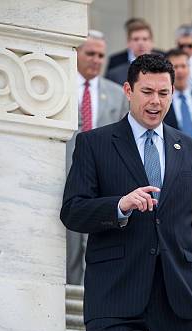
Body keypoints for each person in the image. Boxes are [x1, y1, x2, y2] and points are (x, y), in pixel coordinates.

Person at [60, 54, 192, 331]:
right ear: (128, 90)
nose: (155, 101)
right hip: (115, 290)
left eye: (163, 93)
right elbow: (73, 210)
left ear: (172, 94)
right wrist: (119, 205)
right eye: (147, 91)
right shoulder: (94, 143)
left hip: (179, 291)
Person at [66, 30, 129, 285]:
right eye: (90, 53)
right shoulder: (61, 86)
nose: (96, 59)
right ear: (77, 54)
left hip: (102, 177)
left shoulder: (116, 93)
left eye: (101, 55)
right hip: (66, 171)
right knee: (68, 242)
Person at [162, 49, 192, 137]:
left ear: (189, 68)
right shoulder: (161, 102)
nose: (180, 71)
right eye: (175, 67)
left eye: (183, 66)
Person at [105, 19, 164, 85]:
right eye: (136, 39)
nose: (140, 43)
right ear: (128, 42)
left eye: (145, 39)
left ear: (152, 42)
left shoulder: (164, 61)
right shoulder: (115, 72)